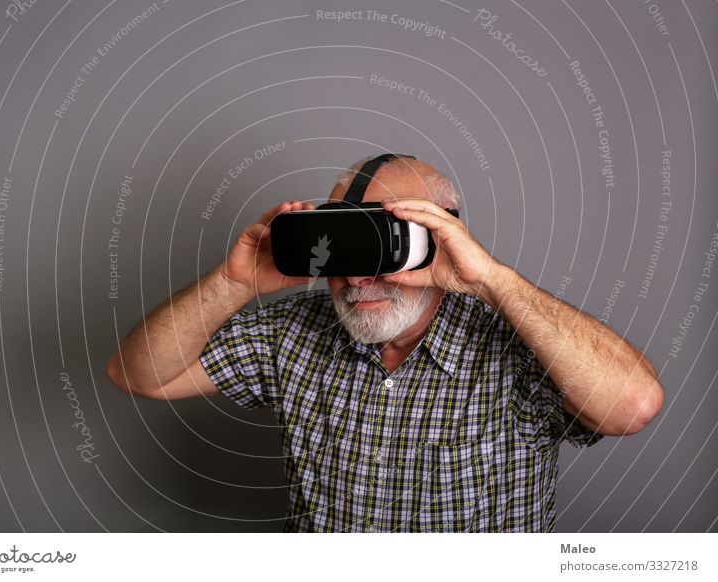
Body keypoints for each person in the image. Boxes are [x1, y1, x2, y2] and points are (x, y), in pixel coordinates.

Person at [106, 154, 664, 532]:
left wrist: (491, 280)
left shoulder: (518, 345)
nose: (357, 277)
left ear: (440, 239)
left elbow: (633, 407)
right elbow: (138, 375)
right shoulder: (293, 333)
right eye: (340, 246)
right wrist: (233, 285)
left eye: (381, 244)